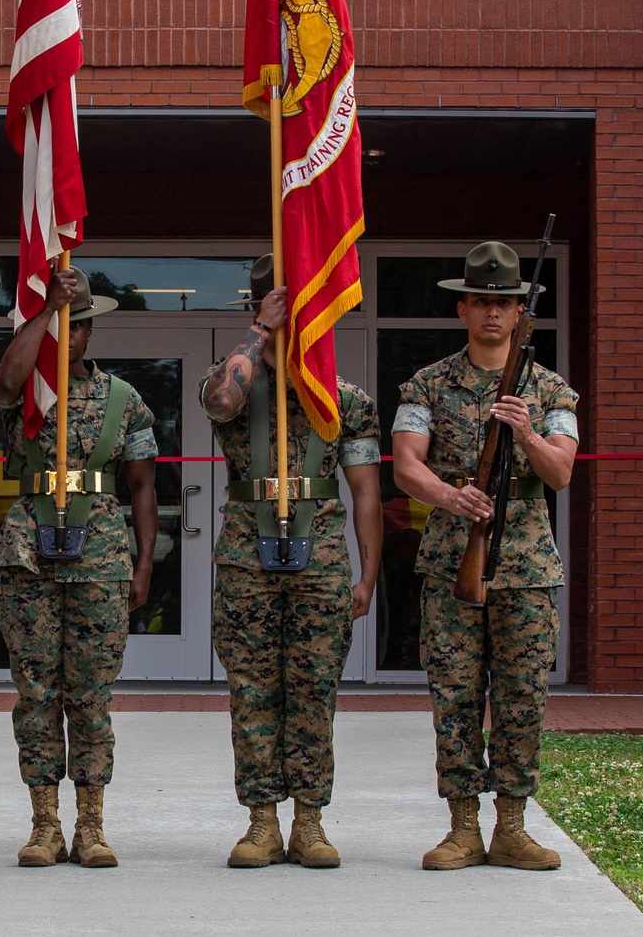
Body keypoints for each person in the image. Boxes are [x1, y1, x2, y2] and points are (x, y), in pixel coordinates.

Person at [392, 240, 578, 873]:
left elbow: (561, 474)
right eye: (481, 301)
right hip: (452, 562)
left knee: (523, 697)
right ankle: (463, 828)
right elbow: (405, 465)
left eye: (505, 302)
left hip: (526, 568)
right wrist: (451, 495)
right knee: (456, 697)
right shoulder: (429, 382)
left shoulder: (550, 389)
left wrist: (525, 429)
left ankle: (513, 827)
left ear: (521, 311)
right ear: (463, 308)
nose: (493, 313)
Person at [201, 255, 383, 870]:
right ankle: (261, 823)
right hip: (247, 555)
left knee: (313, 690)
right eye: (274, 303)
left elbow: (364, 491)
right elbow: (222, 403)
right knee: (252, 689)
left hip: (322, 558)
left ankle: (309, 821)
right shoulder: (232, 376)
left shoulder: (342, 399)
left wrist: (368, 574)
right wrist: (258, 331)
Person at [0, 267, 158, 869]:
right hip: (29, 555)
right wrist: (43, 313)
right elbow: (6, 384)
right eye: (60, 324)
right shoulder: (28, 395)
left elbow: (142, 487)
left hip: (101, 559)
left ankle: (90, 825)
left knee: (91, 696)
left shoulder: (123, 400)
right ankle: (44, 825)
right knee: (35, 693)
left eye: (75, 325)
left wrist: (143, 567)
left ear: (89, 331)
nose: (68, 335)